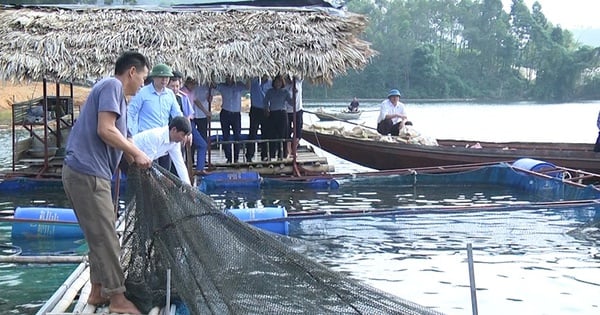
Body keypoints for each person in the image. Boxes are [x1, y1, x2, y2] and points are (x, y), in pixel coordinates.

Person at [61, 51, 152, 314]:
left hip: (87, 173)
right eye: (143, 78)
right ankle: (118, 299)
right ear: (132, 72)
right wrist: (136, 154)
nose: (143, 85)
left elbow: (125, 141)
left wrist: (140, 158)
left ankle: (97, 290)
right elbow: (106, 129)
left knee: (99, 233)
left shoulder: (120, 101)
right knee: (107, 237)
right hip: (87, 173)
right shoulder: (112, 85)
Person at [127, 63, 183, 169]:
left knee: (166, 172)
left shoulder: (170, 94)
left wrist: (185, 130)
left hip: (165, 139)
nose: (164, 80)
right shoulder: (142, 93)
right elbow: (130, 112)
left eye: (167, 77)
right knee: (149, 172)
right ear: (154, 77)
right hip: (147, 141)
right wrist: (131, 134)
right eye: (161, 77)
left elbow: (177, 114)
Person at [133, 116, 193, 185]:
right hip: (128, 155)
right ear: (174, 130)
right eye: (183, 135)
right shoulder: (156, 136)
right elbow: (147, 164)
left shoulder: (175, 143)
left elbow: (180, 165)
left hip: (143, 161)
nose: (184, 139)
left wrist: (189, 187)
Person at [167, 76, 208, 175]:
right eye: (172, 86)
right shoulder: (166, 97)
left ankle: (195, 171)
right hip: (169, 130)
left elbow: (187, 115)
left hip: (182, 128)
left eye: (177, 86)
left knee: (179, 157)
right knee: (167, 158)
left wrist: (188, 133)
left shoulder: (182, 97)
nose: (175, 88)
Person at [215, 76, 249, 163]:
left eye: (230, 77)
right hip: (225, 113)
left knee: (237, 136)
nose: (229, 79)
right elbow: (213, 85)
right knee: (226, 136)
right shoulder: (222, 86)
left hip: (236, 114)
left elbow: (247, 87)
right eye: (227, 77)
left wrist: (248, 77)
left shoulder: (239, 85)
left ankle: (236, 157)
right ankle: (229, 157)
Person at [264, 75, 292, 160]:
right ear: (274, 82)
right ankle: (272, 154)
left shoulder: (285, 92)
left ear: (282, 83)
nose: (278, 84)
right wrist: (266, 109)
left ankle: (282, 155)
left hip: (282, 114)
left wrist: (294, 94)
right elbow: (265, 101)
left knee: (282, 135)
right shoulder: (270, 91)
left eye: (279, 82)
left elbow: (291, 102)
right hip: (272, 114)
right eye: (276, 82)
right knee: (272, 135)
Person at [246, 76, 271, 162]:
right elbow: (247, 86)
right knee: (252, 133)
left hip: (265, 109)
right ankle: (249, 155)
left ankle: (264, 155)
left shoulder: (270, 82)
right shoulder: (254, 80)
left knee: (266, 133)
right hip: (255, 109)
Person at [284, 76, 304, 158]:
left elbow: (301, 74)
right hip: (287, 111)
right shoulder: (284, 86)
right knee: (287, 132)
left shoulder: (298, 82)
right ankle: (289, 151)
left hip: (298, 110)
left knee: (298, 132)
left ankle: (294, 149)